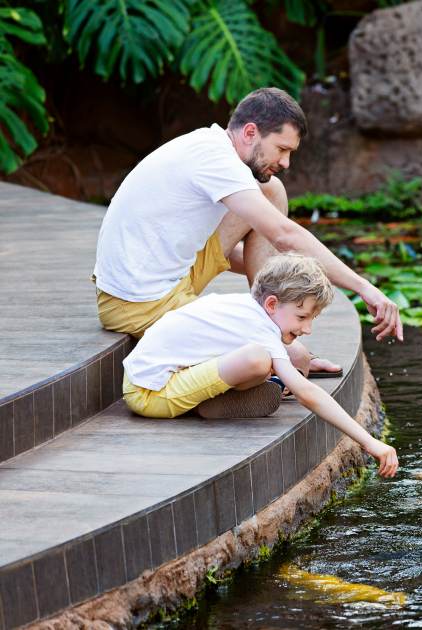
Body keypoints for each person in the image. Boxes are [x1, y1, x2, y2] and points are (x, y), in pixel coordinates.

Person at [93, 86, 402, 376]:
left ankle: (272, 328)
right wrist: (364, 288)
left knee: (271, 191)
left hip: (176, 276)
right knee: (265, 357)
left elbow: (250, 252)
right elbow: (284, 234)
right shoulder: (215, 160)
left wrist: (293, 278)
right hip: (138, 305)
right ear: (251, 132)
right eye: (281, 149)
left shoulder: (213, 145)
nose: (286, 162)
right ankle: (275, 344)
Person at [122, 253, 398, 477]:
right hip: (150, 395)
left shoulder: (245, 308)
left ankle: (220, 399)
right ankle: (208, 404)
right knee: (258, 359)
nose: (308, 328)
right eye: (302, 317)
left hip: (152, 380)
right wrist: (368, 441)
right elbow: (306, 393)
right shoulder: (260, 330)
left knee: (286, 357)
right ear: (271, 303)